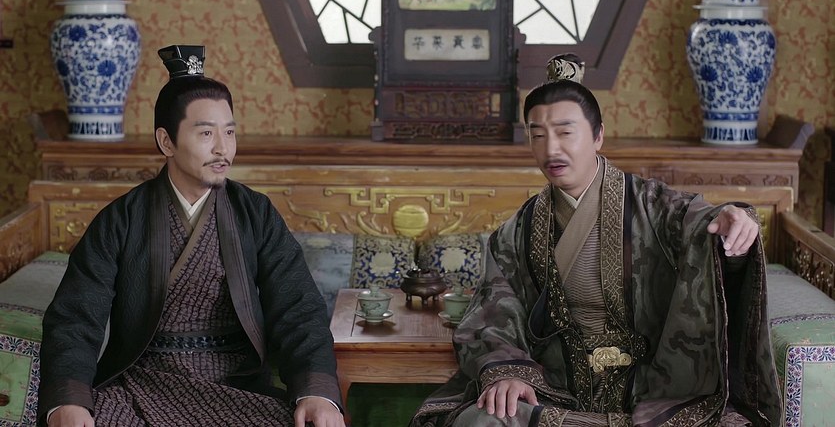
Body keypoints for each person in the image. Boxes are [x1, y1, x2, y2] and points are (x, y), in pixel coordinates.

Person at [411, 54, 781, 426]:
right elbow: (494, 309)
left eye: (565, 132)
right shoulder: (519, 230)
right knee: (483, 419)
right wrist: (508, 370)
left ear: (598, 135)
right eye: (538, 136)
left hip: (652, 393)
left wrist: (734, 220)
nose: (551, 149)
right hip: (558, 388)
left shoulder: (651, 205)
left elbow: (704, 223)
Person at [38, 45, 345, 427]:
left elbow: (297, 307)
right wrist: (68, 401)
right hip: (140, 387)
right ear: (166, 141)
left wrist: (316, 391)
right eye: (206, 133)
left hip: (236, 388)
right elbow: (75, 318)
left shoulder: (255, 213)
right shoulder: (121, 220)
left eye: (229, 132)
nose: (222, 148)